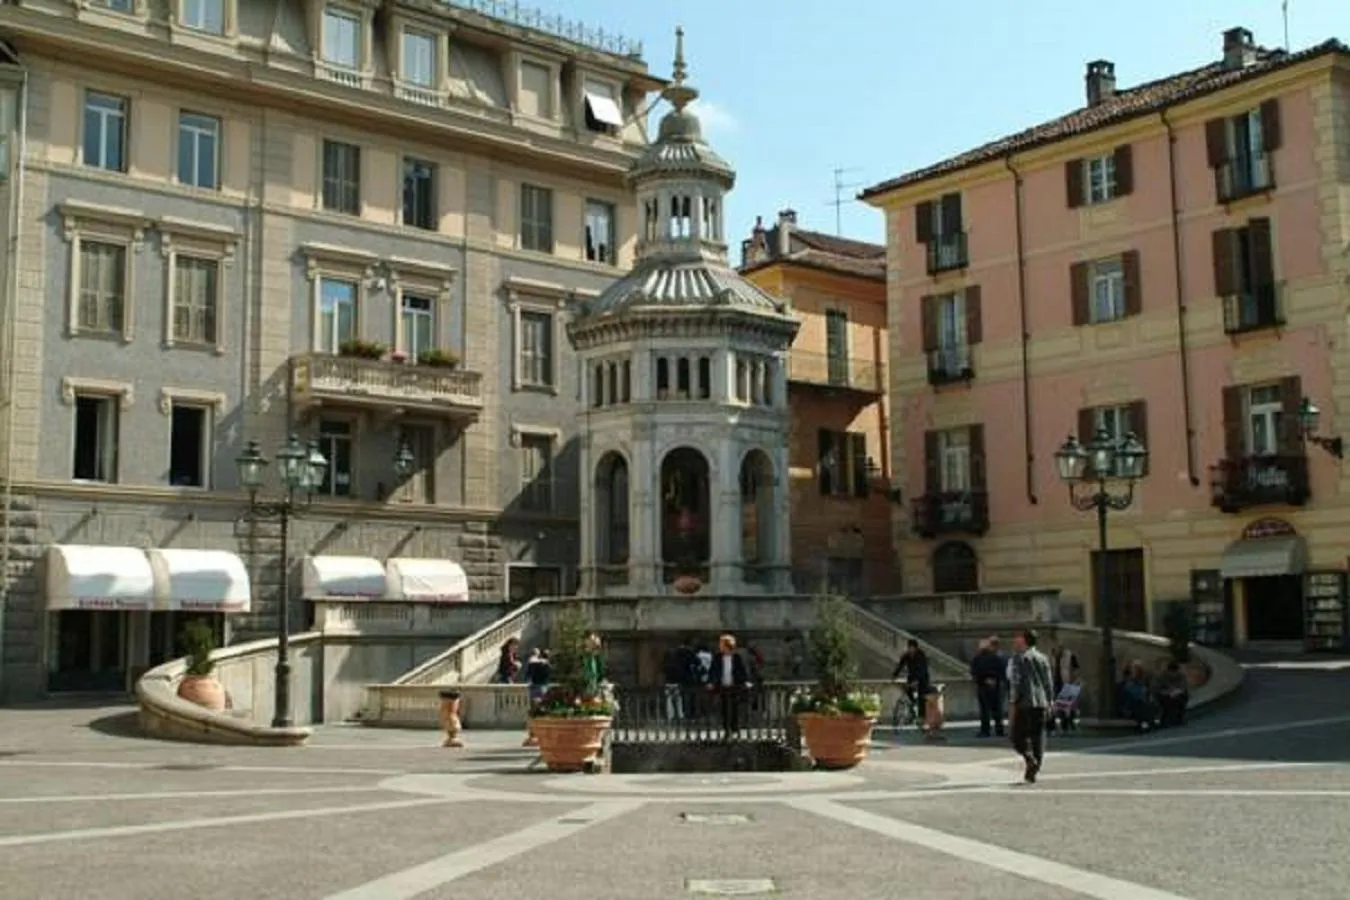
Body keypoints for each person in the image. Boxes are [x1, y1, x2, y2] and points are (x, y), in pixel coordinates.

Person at [1008, 628, 1055, 784]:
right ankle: (1034, 767)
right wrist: (1050, 700)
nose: (1016, 640)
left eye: (1019, 637)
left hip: (1024, 702)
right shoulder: (1043, 658)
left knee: (1016, 736)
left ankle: (1030, 759)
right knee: (1038, 736)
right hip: (1040, 701)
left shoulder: (1019, 658)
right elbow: (1048, 681)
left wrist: (1013, 701)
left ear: (1024, 640)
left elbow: (1016, 681)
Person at [710, 633, 750, 738]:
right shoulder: (717, 657)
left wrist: (744, 681)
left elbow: (741, 671)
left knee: (734, 708)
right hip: (722, 685)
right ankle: (726, 729)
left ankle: (734, 728)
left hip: (734, 685)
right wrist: (711, 682)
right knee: (724, 708)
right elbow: (713, 671)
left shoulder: (736, 657)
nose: (720, 646)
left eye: (722, 644)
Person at [969, 638, 1006, 738]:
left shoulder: (978, 658)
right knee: (997, 709)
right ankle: (999, 730)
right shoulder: (998, 657)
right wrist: (995, 679)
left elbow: (974, 672)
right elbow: (1003, 671)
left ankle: (985, 730)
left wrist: (982, 680)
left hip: (983, 685)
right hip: (996, 685)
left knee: (985, 709)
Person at [892, 639, 931, 720]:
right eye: (909, 648)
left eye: (912, 648)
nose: (910, 650)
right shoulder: (906, 656)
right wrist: (894, 675)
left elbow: (923, 670)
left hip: (922, 677)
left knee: (921, 695)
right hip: (912, 676)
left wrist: (917, 681)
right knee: (908, 690)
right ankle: (912, 708)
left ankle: (921, 716)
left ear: (916, 648)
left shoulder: (921, 655)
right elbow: (900, 666)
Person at [662, 638, 698, 720]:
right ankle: (682, 714)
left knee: (670, 698)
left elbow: (663, 667)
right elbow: (697, 662)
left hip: (670, 679)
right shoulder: (688, 652)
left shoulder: (673, 654)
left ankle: (671, 715)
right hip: (683, 679)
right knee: (680, 698)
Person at [521, 648, 551, 747]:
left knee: (533, 712)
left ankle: (533, 735)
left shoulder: (534, 663)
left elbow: (528, 675)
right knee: (542, 712)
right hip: (543, 688)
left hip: (534, 687)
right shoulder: (547, 665)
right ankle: (542, 735)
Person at [1153, 660, 1190, 727]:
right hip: (1165, 695)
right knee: (1167, 701)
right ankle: (1166, 720)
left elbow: (1183, 687)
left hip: (1177, 694)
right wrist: (1168, 692)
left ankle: (1179, 717)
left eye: (1175, 672)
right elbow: (1157, 689)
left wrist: (1177, 692)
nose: (1173, 675)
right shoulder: (1162, 677)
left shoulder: (1181, 676)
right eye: (1171, 672)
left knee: (1182, 697)